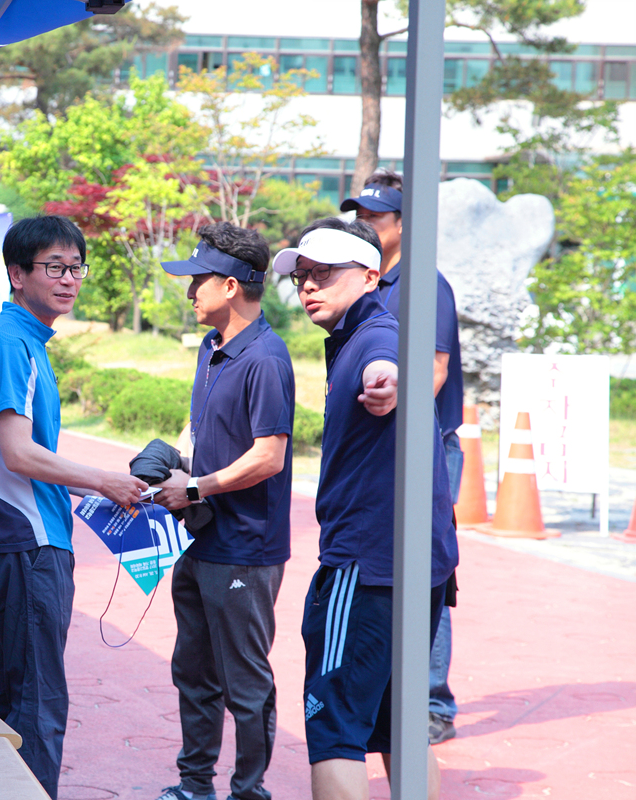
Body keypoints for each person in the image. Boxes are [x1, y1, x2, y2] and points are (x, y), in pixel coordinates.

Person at [0, 215, 147, 800]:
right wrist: (103, 481)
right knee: (37, 701)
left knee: (15, 692)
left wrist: (100, 488)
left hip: (27, 536)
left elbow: (28, 454)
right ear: (17, 275)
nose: (69, 279)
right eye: (54, 267)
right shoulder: (10, 342)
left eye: (76, 268)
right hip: (26, 538)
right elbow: (18, 453)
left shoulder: (25, 341)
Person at [272, 218, 458, 800]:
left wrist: (387, 382)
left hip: (368, 565)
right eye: (303, 275)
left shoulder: (375, 336)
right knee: (401, 725)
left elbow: (388, 364)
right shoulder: (362, 334)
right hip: (416, 562)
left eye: (325, 273)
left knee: (334, 728)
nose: (309, 285)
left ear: (372, 276)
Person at [150, 223, 295, 800]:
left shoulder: (267, 358)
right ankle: (195, 786)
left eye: (198, 281)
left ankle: (249, 791)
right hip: (201, 539)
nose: (190, 292)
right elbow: (211, 438)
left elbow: (269, 456)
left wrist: (195, 488)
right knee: (192, 670)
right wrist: (170, 465)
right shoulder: (212, 350)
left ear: (231, 286)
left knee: (245, 682)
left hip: (245, 549)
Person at [340, 171, 463, 745]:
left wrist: (393, 405)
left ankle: (432, 702)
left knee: (429, 572)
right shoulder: (368, 284)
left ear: (403, 224)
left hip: (426, 446)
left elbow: (433, 371)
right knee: (390, 571)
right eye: (358, 215)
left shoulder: (423, 284)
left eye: (374, 216)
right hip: (385, 447)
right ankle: (395, 696)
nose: (363, 223)